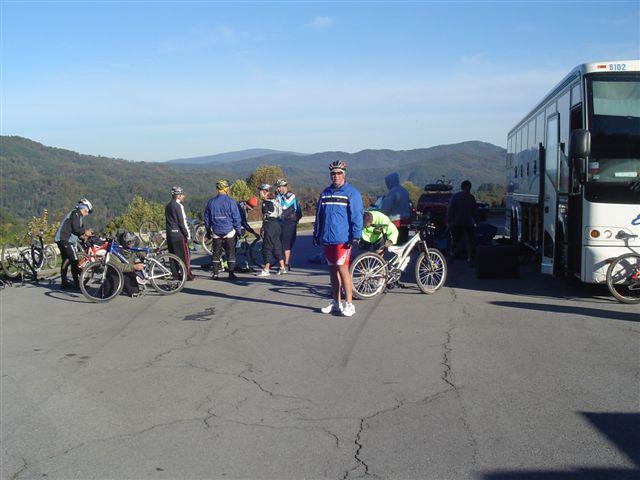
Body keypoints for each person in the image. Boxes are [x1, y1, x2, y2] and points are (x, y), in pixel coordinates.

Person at [313, 160, 363, 317]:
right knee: (332, 270)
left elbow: (357, 215)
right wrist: (316, 233)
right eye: (333, 173)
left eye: (339, 173)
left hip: (343, 239)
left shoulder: (352, 193)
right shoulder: (325, 193)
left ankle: (349, 304)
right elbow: (319, 215)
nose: (336, 176)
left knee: (343, 270)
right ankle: (336, 302)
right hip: (327, 239)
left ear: (344, 174)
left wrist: (356, 235)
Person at [204, 179, 242, 280]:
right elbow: (236, 218)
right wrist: (239, 231)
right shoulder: (231, 202)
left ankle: (215, 274)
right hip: (229, 231)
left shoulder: (211, 202)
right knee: (231, 253)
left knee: (216, 253)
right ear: (225, 189)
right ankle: (231, 273)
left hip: (216, 231)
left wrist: (208, 231)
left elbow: (207, 218)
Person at [54, 198, 93, 289]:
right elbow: (76, 229)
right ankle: (78, 284)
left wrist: (83, 237)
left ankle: (64, 283)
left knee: (66, 261)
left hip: (62, 239)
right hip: (65, 239)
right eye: (87, 212)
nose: (87, 214)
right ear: (84, 208)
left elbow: (76, 231)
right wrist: (85, 232)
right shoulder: (76, 214)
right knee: (74, 260)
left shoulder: (77, 215)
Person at [165, 186, 194, 281]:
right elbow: (182, 222)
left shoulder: (168, 206)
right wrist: (188, 235)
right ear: (178, 196)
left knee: (172, 257)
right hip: (178, 235)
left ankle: (175, 275)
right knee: (183, 257)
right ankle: (187, 275)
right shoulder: (179, 206)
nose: (183, 196)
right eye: (182, 195)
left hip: (170, 234)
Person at [256, 184, 286, 276]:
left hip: (269, 225)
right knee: (277, 246)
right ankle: (282, 267)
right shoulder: (275, 201)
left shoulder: (266, 203)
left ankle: (266, 269)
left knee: (267, 247)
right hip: (277, 225)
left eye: (260, 191)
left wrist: (262, 228)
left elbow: (265, 216)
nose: (259, 193)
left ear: (264, 191)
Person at [447, 180, 479, 264]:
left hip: (468, 223)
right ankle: (452, 255)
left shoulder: (471, 198)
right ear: (462, 188)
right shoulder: (456, 197)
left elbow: (474, 211)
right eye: (466, 189)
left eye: (468, 190)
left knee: (470, 241)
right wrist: (449, 221)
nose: (467, 191)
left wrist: (477, 221)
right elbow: (450, 210)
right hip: (457, 223)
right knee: (455, 241)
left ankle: (470, 258)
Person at [275, 178, 299, 271]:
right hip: (281, 221)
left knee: (286, 243)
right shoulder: (279, 196)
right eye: (277, 187)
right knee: (280, 242)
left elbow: (284, 206)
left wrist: (279, 198)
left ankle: (286, 264)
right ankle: (282, 262)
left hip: (290, 222)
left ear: (283, 187)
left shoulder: (291, 195)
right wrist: (278, 197)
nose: (278, 189)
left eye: (279, 187)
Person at [380, 172, 411, 244]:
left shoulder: (392, 192)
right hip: (406, 221)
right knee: (403, 244)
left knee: (393, 243)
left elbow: (385, 208)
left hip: (395, 222)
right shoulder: (404, 191)